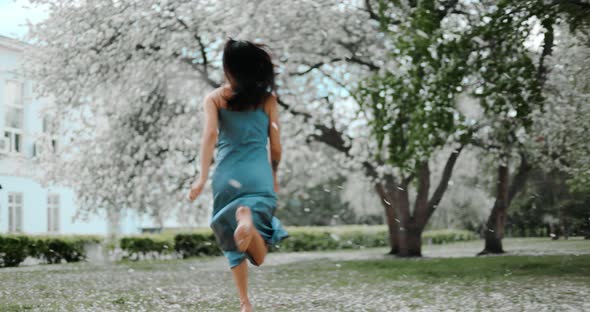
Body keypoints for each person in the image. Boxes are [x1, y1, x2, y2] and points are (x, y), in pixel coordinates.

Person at [188, 38, 289, 312]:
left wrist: (200, 177)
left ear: (229, 69)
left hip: (226, 175)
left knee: (233, 245)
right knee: (260, 251)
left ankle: (245, 303)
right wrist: (274, 175)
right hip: (258, 174)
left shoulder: (214, 98)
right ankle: (248, 220)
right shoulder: (268, 100)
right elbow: (276, 146)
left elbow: (209, 136)